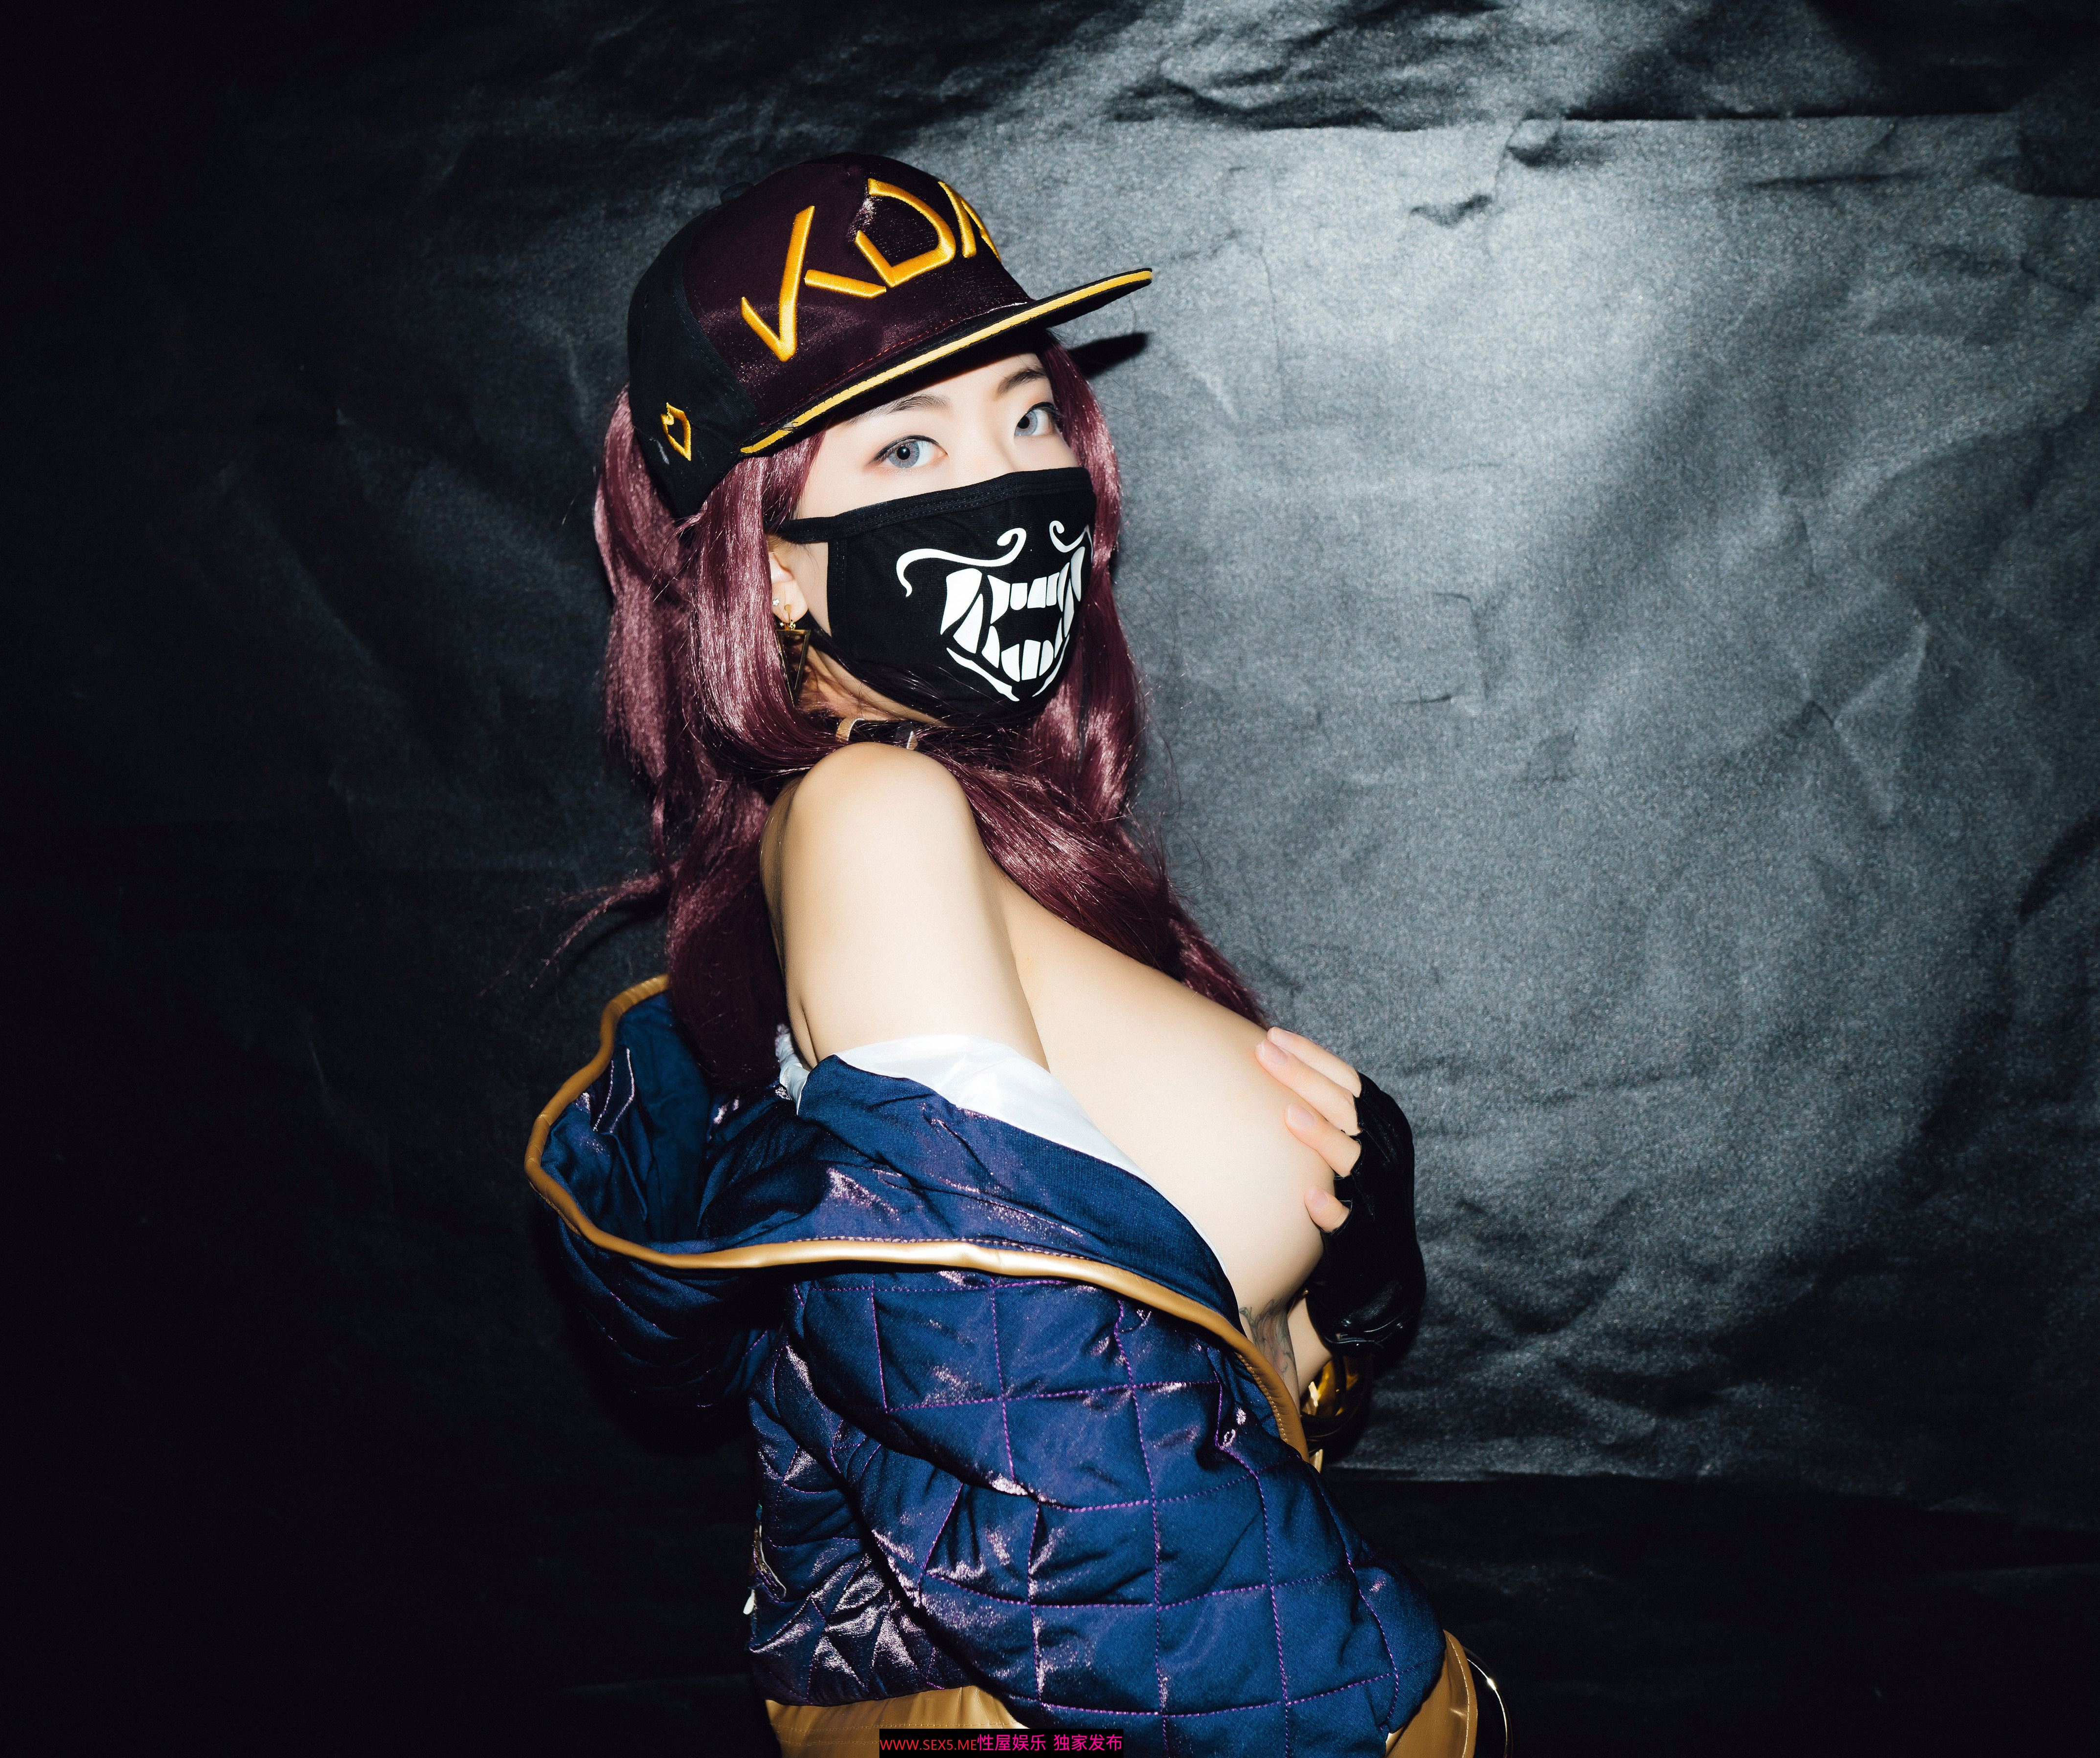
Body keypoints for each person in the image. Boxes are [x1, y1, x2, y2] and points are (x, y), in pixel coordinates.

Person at [526, 153, 1507, 1755]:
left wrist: (1336, 1298)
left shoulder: (966, 842)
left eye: (1029, 417)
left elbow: (1142, 1372)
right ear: (764, 557)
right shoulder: (870, 820)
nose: (1009, 483)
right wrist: (1393, 1724)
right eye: (908, 444)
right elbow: (1029, 1424)